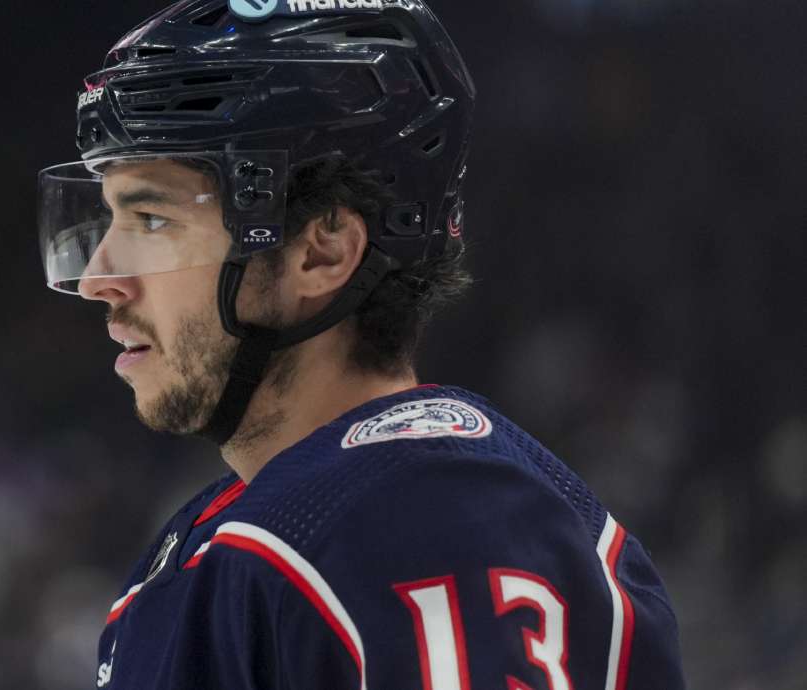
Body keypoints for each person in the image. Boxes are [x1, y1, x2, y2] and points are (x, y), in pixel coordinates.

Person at [37, 1, 686, 688]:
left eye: (151, 217)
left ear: (321, 253)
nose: (100, 278)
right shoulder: (251, 531)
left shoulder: (384, 535)